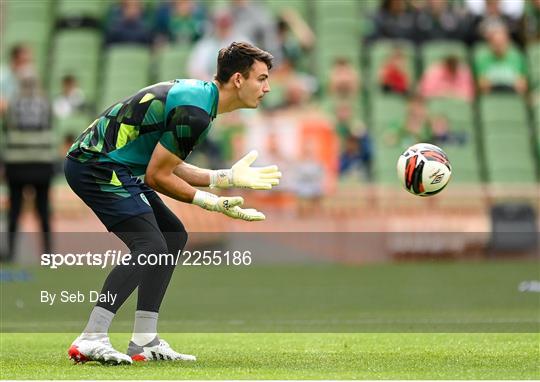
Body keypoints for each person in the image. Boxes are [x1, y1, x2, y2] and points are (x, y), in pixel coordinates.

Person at [64, 42, 281, 365]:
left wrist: (223, 178)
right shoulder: (196, 112)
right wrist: (212, 203)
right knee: (150, 244)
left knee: (172, 236)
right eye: (261, 78)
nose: (266, 88)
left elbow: (165, 162)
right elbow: (157, 176)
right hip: (95, 165)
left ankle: (144, 340)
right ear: (238, 79)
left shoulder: (200, 100)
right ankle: (91, 337)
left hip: (115, 165)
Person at [3, 70, 54, 263]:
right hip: (41, 161)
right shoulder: (45, 103)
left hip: (16, 162)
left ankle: (10, 253)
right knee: (43, 210)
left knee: (14, 210)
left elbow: (8, 127)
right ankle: (48, 254)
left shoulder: (13, 103)